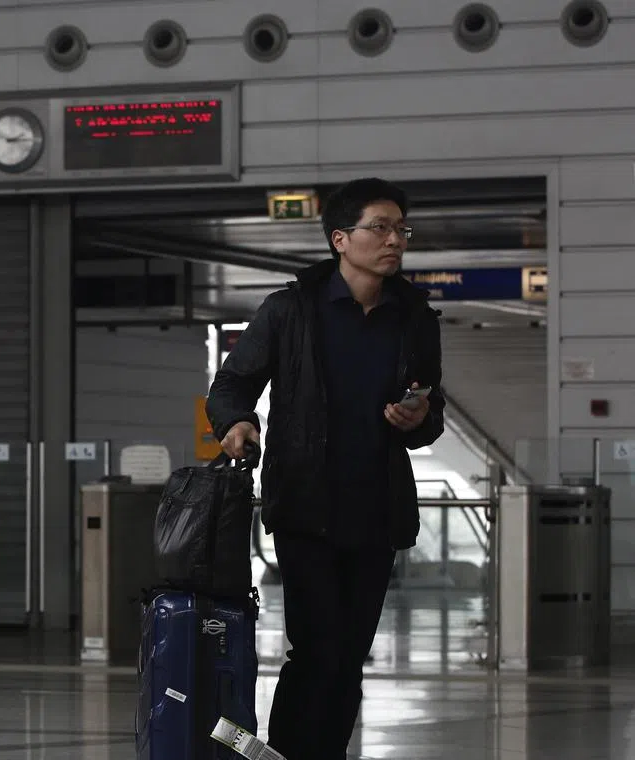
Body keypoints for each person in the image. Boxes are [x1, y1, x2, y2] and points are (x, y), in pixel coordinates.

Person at [205, 177, 445, 760]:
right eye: (380, 228)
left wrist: (420, 418)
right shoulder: (290, 310)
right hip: (307, 504)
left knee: (349, 654)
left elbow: (432, 409)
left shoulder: (415, 318)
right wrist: (238, 423)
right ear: (341, 238)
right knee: (316, 648)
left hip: (376, 507)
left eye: (401, 229)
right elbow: (233, 383)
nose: (395, 240)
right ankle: (286, 753)